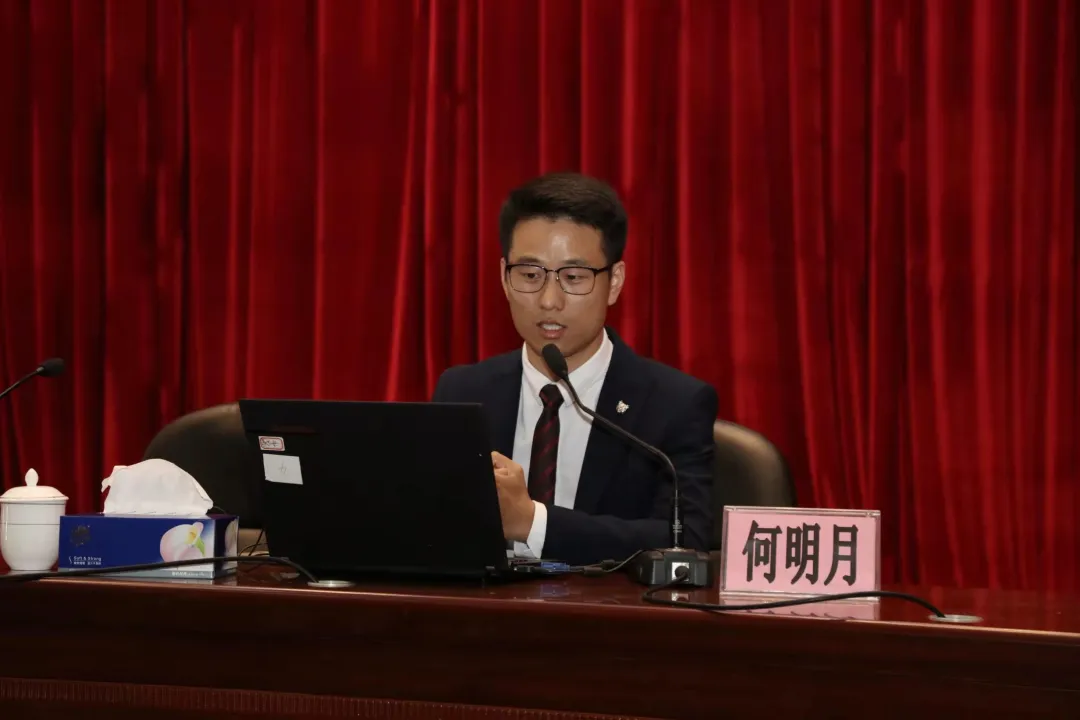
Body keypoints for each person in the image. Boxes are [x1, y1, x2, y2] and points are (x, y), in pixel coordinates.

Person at [432, 172, 718, 565]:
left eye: (573, 278)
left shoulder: (674, 404)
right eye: (530, 275)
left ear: (614, 282)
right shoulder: (463, 392)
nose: (549, 300)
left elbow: (686, 541)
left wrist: (533, 523)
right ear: (504, 278)